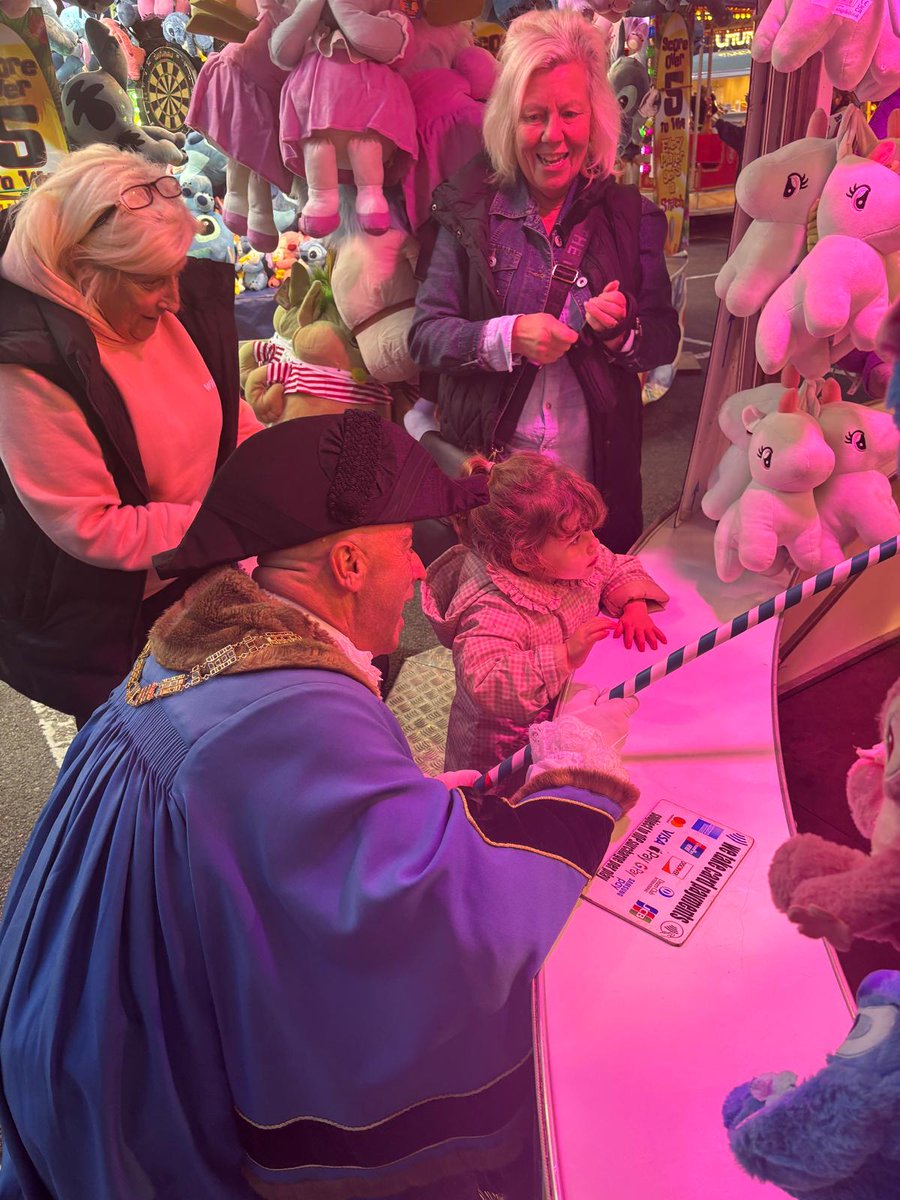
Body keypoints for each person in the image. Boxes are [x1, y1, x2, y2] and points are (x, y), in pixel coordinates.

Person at [0, 412, 642, 1200]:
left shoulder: (217, 638)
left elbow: (267, 834)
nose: (415, 573)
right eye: (406, 549)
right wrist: (577, 777)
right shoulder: (290, 712)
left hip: (73, 1014)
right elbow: (430, 913)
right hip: (136, 1086)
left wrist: (400, 801)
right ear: (346, 562)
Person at [0, 144, 262, 725]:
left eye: (177, 272)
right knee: (142, 761)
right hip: (116, 618)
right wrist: (232, 523)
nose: (174, 300)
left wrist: (276, 472)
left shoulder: (168, 302)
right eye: (152, 281)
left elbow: (228, 412)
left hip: (199, 567)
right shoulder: (27, 368)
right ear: (83, 273)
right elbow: (91, 525)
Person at [408, 8, 680, 554]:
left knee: (588, 629)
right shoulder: (467, 210)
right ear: (510, 121)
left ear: (596, 118)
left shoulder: (632, 216)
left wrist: (619, 332)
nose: (552, 136)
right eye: (534, 116)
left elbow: (662, 337)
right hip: (492, 493)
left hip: (593, 493)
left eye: (569, 113)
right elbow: (426, 337)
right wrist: (505, 337)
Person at [423, 452, 668, 775]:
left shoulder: (574, 560)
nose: (594, 544)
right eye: (576, 538)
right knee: (502, 808)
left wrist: (633, 603)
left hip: (561, 714)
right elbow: (485, 679)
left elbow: (614, 566)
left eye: (590, 530)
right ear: (525, 557)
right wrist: (563, 656)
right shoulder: (493, 607)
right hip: (502, 749)